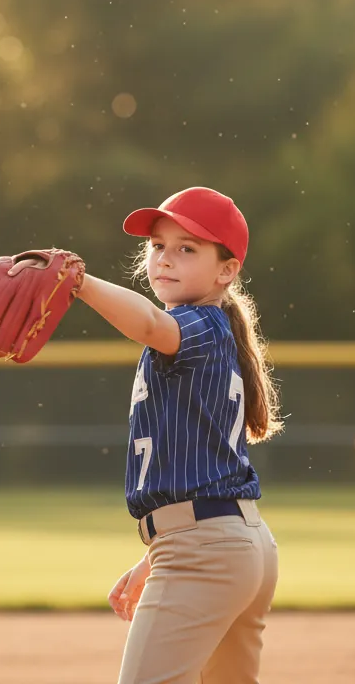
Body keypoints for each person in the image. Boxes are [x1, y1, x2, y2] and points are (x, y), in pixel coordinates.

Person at [76, 186, 282, 684]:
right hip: (239, 543)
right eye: (158, 246)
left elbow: (147, 322)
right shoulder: (217, 333)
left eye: (187, 248)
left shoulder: (200, 326)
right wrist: (157, 555)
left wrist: (77, 282)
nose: (165, 259)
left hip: (206, 550)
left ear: (226, 270)